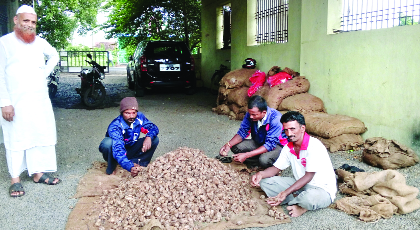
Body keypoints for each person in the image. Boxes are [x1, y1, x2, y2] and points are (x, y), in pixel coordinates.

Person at [0, 5, 60, 197]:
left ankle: (38, 173)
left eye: (33, 22)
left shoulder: (40, 42)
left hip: (38, 101)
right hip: (15, 102)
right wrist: (4, 102)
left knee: (38, 135)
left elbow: (54, 55)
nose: (30, 25)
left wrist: (44, 73)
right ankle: (15, 179)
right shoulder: (4, 43)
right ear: (16, 20)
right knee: (15, 138)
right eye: (26, 21)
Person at [251, 111, 337, 217]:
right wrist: (260, 174)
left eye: (292, 129)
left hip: (321, 189)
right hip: (300, 184)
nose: (289, 134)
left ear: (302, 129)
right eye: (286, 130)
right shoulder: (288, 147)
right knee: (265, 183)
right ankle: (296, 198)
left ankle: (301, 205)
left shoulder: (314, 146)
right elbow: (275, 168)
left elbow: (308, 176)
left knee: (309, 199)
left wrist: (286, 192)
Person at [219, 95, 288, 170]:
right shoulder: (250, 114)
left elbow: (270, 145)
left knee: (264, 160)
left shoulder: (276, 119)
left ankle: (273, 166)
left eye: (254, 115)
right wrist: (228, 144)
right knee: (235, 146)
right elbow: (243, 132)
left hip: (276, 146)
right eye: (250, 114)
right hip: (260, 141)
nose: (251, 117)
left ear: (264, 113)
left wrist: (246, 155)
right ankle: (256, 161)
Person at [99, 97, 159, 176]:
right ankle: (112, 165)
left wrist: (149, 137)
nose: (131, 116)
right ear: (122, 112)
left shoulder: (139, 117)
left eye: (134, 113)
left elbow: (153, 128)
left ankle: (139, 162)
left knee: (154, 139)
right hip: (116, 151)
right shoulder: (115, 126)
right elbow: (118, 149)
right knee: (107, 143)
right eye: (127, 113)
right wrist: (130, 167)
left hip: (131, 148)